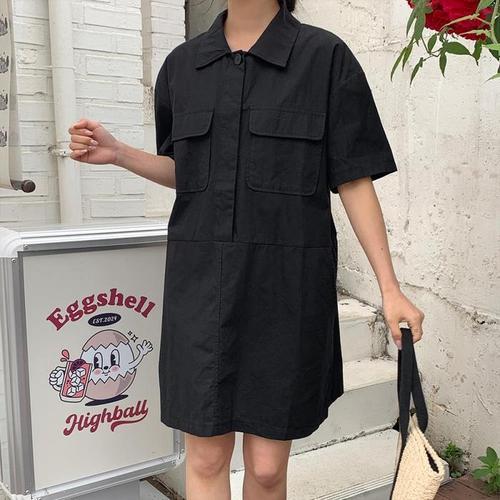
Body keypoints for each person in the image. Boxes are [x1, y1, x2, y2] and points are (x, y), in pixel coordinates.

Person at [68, 0, 425, 498]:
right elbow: (190, 173)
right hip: (200, 291)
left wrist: (390, 288)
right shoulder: (181, 67)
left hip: (285, 293)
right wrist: (120, 154)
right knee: (207, 457)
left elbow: (354, 179)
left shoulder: (325, 58)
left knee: (267, 467)